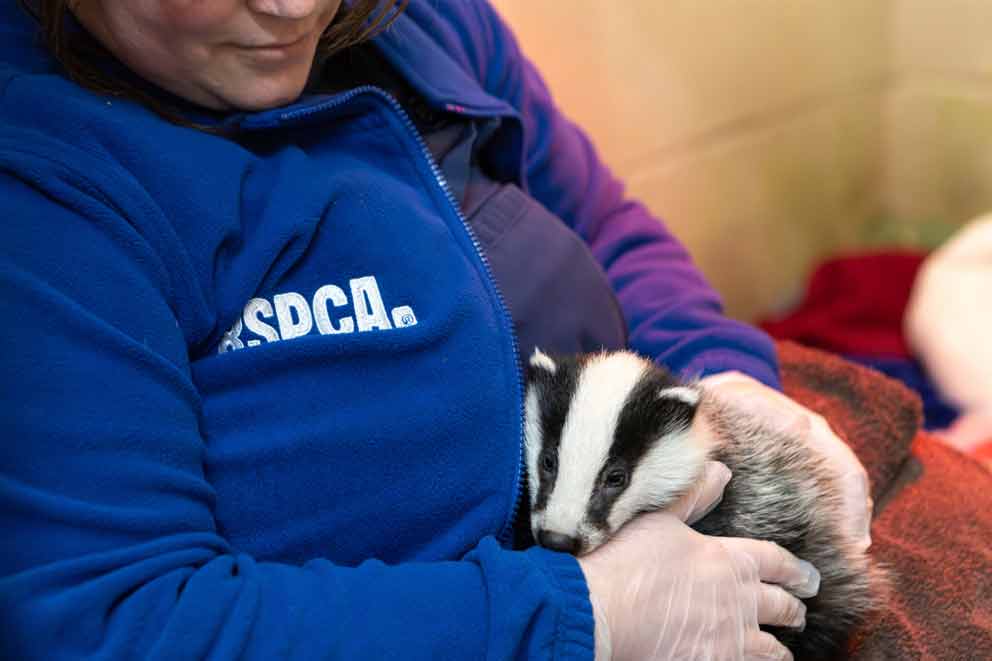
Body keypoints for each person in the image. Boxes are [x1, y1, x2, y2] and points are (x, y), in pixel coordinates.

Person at [0, 1, 870, 659]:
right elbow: (112, 618)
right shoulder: (43, 189)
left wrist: (728, 376)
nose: (299, 8)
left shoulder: (430, 24)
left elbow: (607, 225)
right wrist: (580, 616)